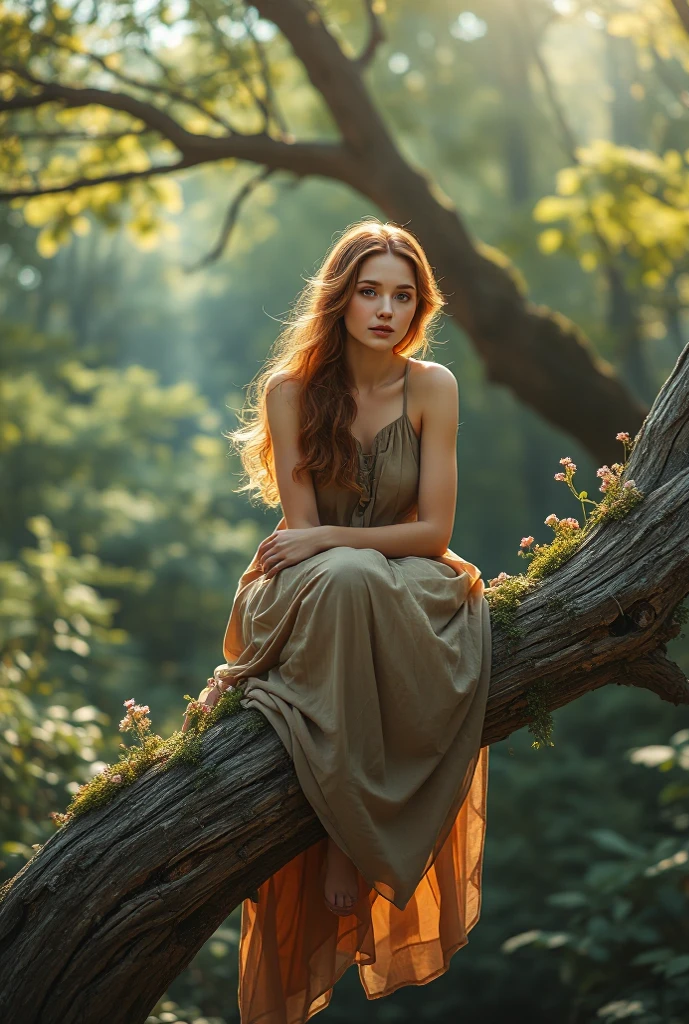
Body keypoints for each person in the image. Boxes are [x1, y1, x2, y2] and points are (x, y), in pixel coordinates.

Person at [194, 217, 492, 1024]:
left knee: (356, 570)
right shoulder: (289, 393)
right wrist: (327, 541)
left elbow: (434, 532)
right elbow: (297, 543)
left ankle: (341, 838)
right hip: (305, 589)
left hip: (406, 579)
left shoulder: (433, 387)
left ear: (418, 306)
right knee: (345, 576)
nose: (386, 309)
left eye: (402, 295)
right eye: (370, 292)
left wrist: (333, 534)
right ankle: (345, 835)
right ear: (341, 298)